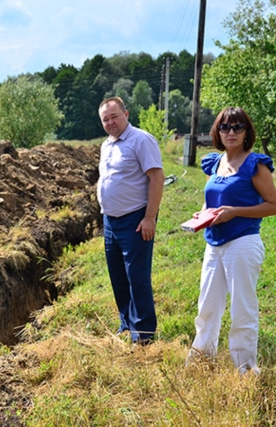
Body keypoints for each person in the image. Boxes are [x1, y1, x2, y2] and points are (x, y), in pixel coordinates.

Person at [187, 107, 276, 374]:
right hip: (213, 243)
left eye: (237, 127)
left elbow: (274, 206)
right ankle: (203, 358)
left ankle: (245, 368)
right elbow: (211, 200)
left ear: (246, 132)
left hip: (242, 242)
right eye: (225, 127)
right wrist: (202, 214)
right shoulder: (213, 163)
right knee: (207, 305)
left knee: (242, 307)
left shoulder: (255, 165)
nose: (231, 132)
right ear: (217, 131)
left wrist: (236, 212)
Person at [96, 97, 165, 345]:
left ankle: (143, 334)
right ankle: (127, 324)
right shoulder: (107, 145)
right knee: (118, 276)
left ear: (126, 113)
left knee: (137, 277)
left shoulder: (141, 140)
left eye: (114, 116)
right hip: (111, 222)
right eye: (105, 119)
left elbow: (157, 178)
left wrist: (149, 218)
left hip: (135, 219)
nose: (110, 122)